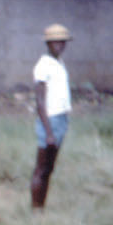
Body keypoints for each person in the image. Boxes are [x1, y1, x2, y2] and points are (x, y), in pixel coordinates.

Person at [31, 24, 73, 210]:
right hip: (50, 120)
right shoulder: (43, 65)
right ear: (47, 43)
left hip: (61, 119)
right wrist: (49, 132)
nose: (59, 45)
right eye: (55, 41)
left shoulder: (59, 63)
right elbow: (40, 102)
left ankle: (41, 206)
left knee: (49, 168)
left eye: (62, 41)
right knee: (41, 168)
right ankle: (36, 209)